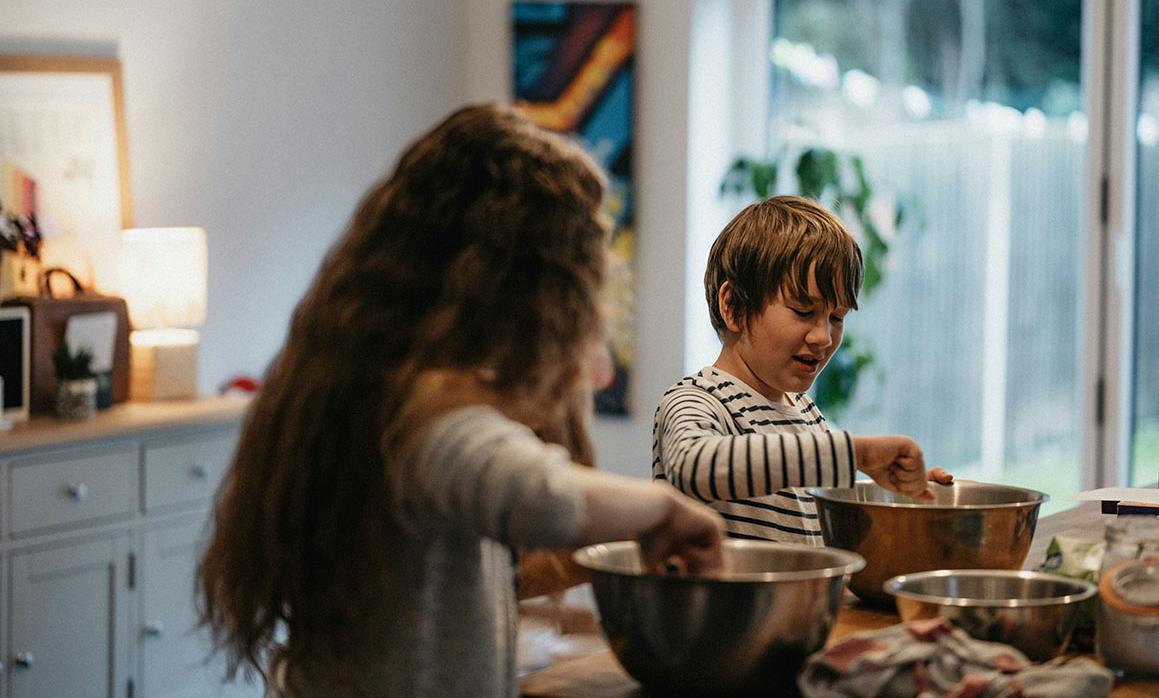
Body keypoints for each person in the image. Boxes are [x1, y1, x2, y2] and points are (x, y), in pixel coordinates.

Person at [197, 103, 725, 698]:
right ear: (523, 284)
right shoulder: (422, 407)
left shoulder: (363, 373)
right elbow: (539, 496)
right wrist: (665, 508)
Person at [652, 195, 951, 544]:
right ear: (733, 306)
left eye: (837, 318)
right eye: (803, 311)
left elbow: (810, 493)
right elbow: (694, 466)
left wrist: (897, 491)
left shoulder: (806, 411)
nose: (824, 336)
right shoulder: (697, 401)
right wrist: (858, 453)